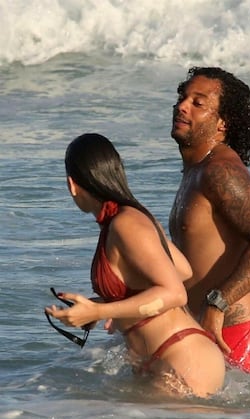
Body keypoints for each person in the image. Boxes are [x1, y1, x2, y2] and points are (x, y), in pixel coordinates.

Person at [45, 133, 225, 398]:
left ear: (72, 184)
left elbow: (175, 292)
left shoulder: (126, 224)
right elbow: (183, 269)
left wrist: (99, 310)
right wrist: (99, 306)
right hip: (169, 358)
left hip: (182, 357)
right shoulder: (128, 218)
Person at [169, 66, 250, 381]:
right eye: (183, 98)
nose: (182, 106)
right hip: (217, 333)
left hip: (242, 335)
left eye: (198, 103)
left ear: (222, 123)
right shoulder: (197, 170)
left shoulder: (220, 171)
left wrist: (217, 303)